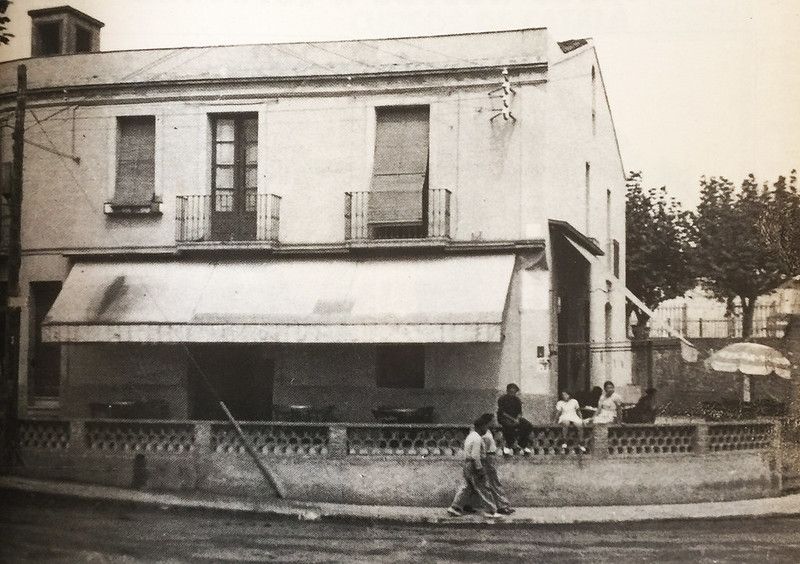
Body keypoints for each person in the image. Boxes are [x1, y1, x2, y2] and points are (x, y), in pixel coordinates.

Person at [447, 413, 499, 517]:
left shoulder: (471, 436)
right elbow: (476, 456)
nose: (487, 429)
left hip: (467, 465)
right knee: (483, 487)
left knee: (467, 487)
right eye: (486, 426)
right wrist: (480, 469)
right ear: (482, 426)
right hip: (473, 465)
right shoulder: (477, 439)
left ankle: (455, 507)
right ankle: (490, 510)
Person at [481, 426, 515, 515]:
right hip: (488, 460)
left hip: (490, 459)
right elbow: (484, 452)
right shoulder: (486, 437)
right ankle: (501, 506)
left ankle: (502, 505)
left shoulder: (489, 436)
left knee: (494, 484)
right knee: (494, 484)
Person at [497, 383, 534, 456]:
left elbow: (520, 412)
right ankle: (508, 447)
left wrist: (517, 419)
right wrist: (513, 420)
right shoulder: (502, 399)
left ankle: (522, 444)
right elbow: (502, 413)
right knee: (509, 426)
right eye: (511, 392)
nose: (513, 394)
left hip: (515, 418)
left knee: (528, 425)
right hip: (504, 418)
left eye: (514, 392)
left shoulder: (517, 400)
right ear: (507, 391)